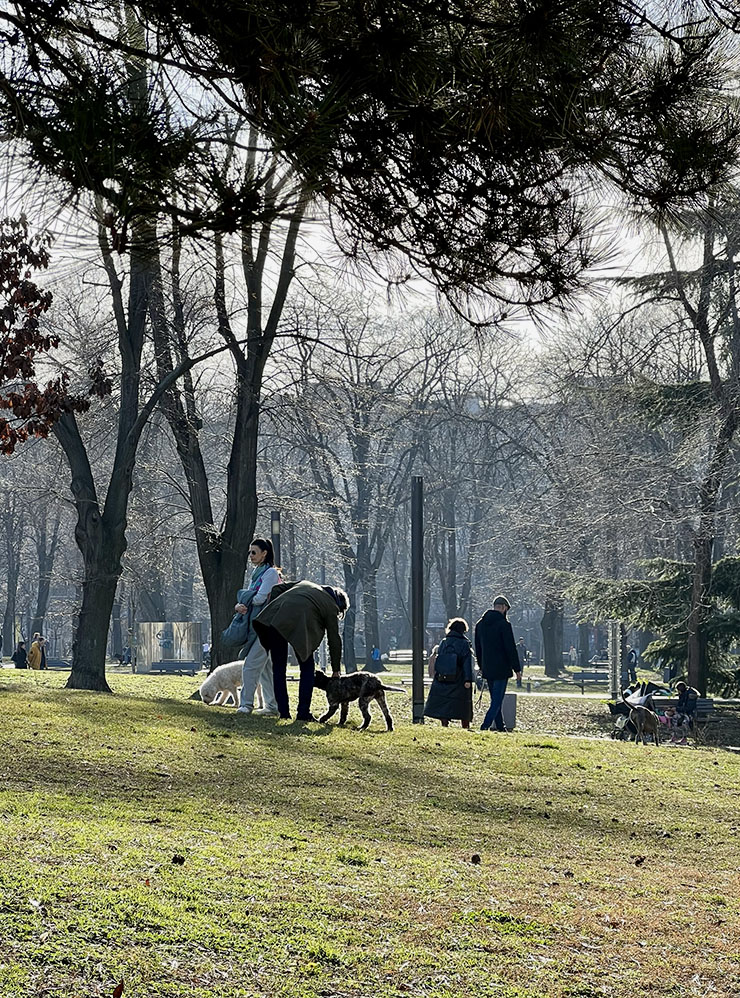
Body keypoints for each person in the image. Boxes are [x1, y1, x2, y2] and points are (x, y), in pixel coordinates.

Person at [252, 580, 350, 721]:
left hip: (275, 620)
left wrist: (276, 607)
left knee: (279, 669)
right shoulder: (331, 606)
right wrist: (336, 669)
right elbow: (334, 639)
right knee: (307, 669)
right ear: (339, 604)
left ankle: (284, 713)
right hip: (301, 628)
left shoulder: (305, 583)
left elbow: (277, 588)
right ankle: (303, 712)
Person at [235, 538, 282, 716]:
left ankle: (246, 705)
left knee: (250, 666)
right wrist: (240, 604)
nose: (251, 556)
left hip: (267, 627)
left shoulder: (270, 574)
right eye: (250, 552)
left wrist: (243, 599)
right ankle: (272, 706)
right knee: (265, 669)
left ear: (265, 553)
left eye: (254, 552)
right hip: (260, 626)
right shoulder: (257, 573)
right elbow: (250, 598)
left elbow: (259, 598)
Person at [474, 594, 522, 732]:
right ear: (504, 608)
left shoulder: (480, 624)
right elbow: (510, 648)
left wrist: (482, 666)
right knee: (497, 700)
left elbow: (478, 648)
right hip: (501, 668)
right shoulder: (504, 625)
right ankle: (485, 725)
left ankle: (501, 727)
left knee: (496, 700)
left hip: (488, 667)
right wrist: (517, 669)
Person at [423, 618, 473, 728]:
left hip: (442, 678)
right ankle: (465, 725)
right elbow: (466, 663)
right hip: (459, 678)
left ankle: (444, 723)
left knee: (443, 703)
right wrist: (468, 679)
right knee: (463, 705)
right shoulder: (464, 644)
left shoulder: (443, 642)